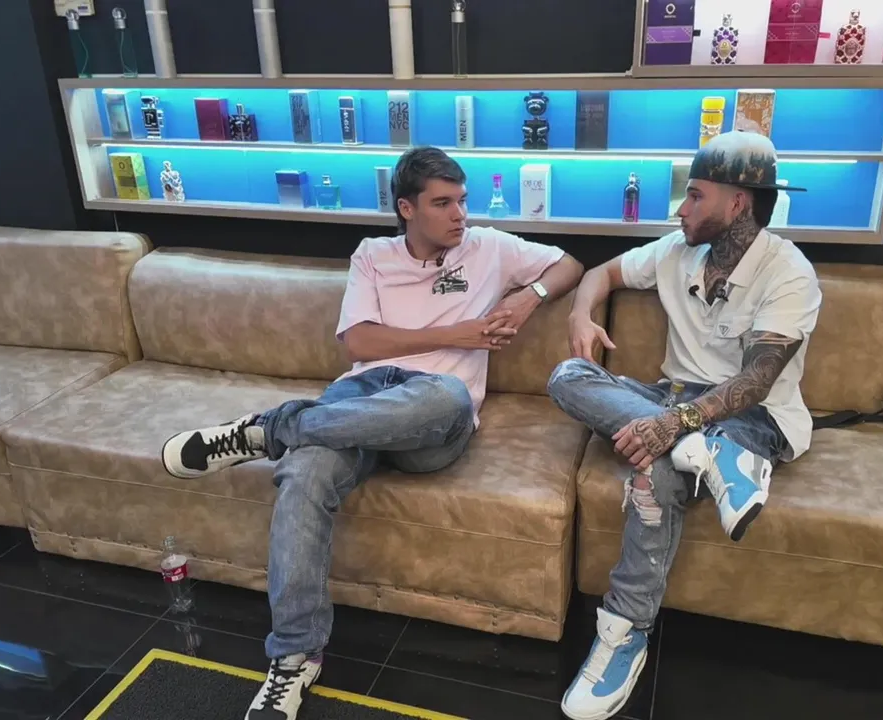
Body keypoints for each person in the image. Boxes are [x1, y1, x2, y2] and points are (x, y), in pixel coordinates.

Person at [160, 147, 583, 720]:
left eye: (462, 200)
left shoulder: (490, 247)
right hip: (363, 397)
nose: (460, 214)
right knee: (305, 472)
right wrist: (456, 333)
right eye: (443, 203)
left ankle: (270, 431)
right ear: (407, 208)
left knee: (447, 395)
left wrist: (528, 297)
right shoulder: (373, 255)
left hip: (434, 413)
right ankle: (294, 657)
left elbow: (569, 265)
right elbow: (358, 344)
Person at [548, 131, 822, 720]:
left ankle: (623, 634)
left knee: (656, 473)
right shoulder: (677, 250)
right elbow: (601, 273)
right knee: (568, 376)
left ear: (738, 203)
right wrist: (580, 315)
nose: (681, 209)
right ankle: (707, 452)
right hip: (669, 399)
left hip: (753, 416)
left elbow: (758, 380)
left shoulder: (789, 272)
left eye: (695, 195)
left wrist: (676, 424)